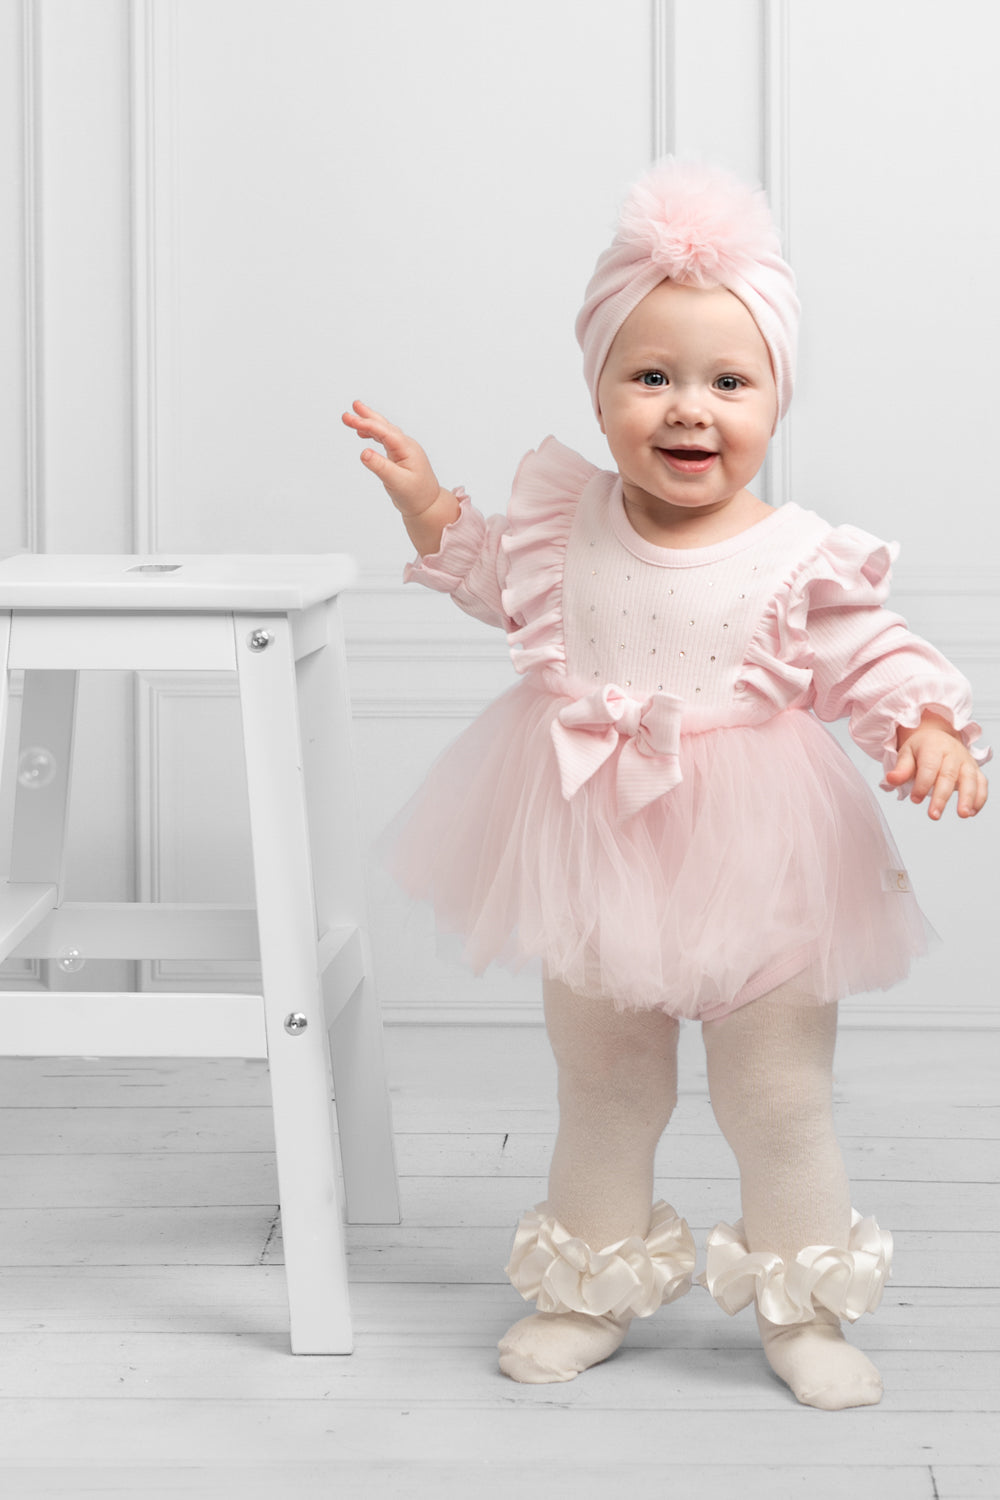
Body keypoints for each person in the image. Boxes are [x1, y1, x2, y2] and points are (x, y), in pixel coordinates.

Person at [342, 158, 990, 1410]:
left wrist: (930, 727)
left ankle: (802, 1307)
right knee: (604, 1081)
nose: (688, 408)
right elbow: (491, 580)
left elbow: (875, 654)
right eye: (651, 377)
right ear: (599, 393)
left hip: (763, 858)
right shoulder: (564, 520)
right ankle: (587, 1286)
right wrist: (427, 504)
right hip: (592, 845)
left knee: (777, 1094)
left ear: (773, 400)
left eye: (726, 382)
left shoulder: (798, 558)